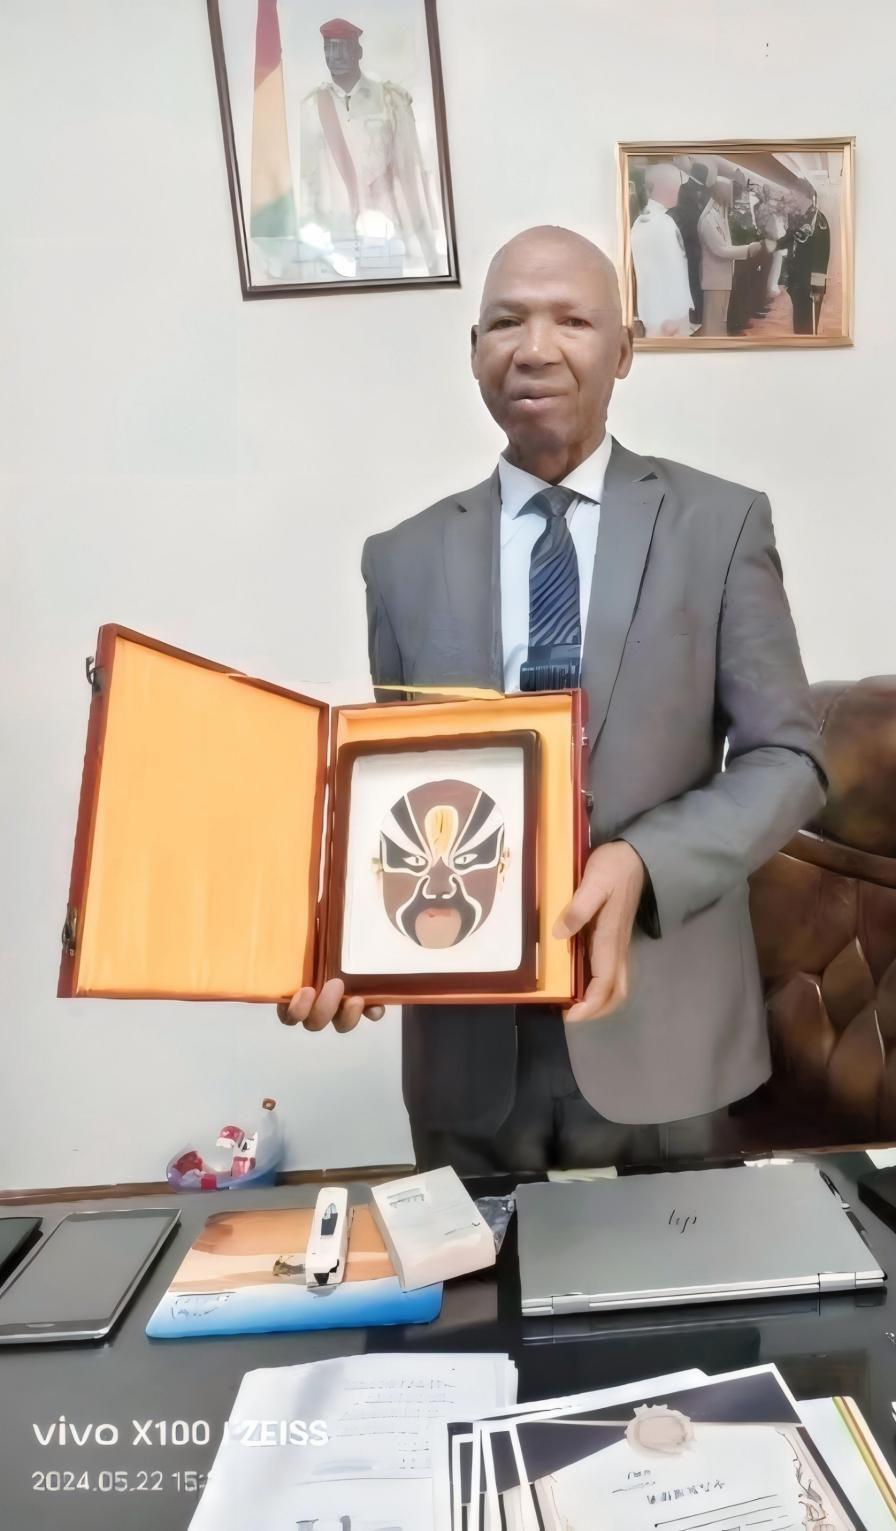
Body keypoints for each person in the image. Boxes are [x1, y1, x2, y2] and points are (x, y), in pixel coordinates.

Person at [280, 226, 826, 1175]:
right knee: (478, 1277)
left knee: (684, 1275)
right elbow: (398, 794)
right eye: (506, 323)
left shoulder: (721, 524)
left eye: (572, 320)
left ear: (625, 350)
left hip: (665, 1025)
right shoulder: (399, 559)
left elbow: (790, 759)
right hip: (467, 1048)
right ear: (475, 352)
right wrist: (335, 941)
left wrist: (643, 859)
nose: (534, 348)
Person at [298, 16, 440, 273]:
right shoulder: (313, 106)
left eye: (342, 47)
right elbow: (310, 178)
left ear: (358, 51)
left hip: (388, 230)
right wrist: (313, 243)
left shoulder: (390, 100)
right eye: (329, 48)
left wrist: (427, 250)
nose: (335, 56)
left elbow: (412, 172)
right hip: (338, 238)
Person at [630, 163, 693, 338]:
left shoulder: (646, 220)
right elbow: (671, 272)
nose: (678, 191)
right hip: (668, 319)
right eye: (676, 186)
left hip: (657, 314)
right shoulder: (662, 223)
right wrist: (674, 315)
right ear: (666, 188)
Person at [698, 178, 762, 337]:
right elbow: (720, 250)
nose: (733, 195)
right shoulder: (708, 219)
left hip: (723, 278)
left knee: (721, 322)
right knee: (713, 325)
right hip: (714, 281)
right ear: (720, 192)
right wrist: (748, 249)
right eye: (730, 191)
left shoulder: (720, 214)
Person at [779, 192, 831, 335]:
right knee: (799, 324)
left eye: (794, 196)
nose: (792, 200)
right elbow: (788, 240)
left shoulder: (818, 221)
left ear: (805, 197)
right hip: (796, 282)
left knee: (807, 328)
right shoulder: (800, 218)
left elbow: (821, 258)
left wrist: (817, 289)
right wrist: (766, 245)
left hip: (808, 285)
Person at [668, 158, 710, 326]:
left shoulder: (684, 189)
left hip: (690, 241)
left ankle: (696, 314)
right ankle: (703, 312)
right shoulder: (708, 192)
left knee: (692, 277)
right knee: (702, 277)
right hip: (706, 241)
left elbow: (684, 216)